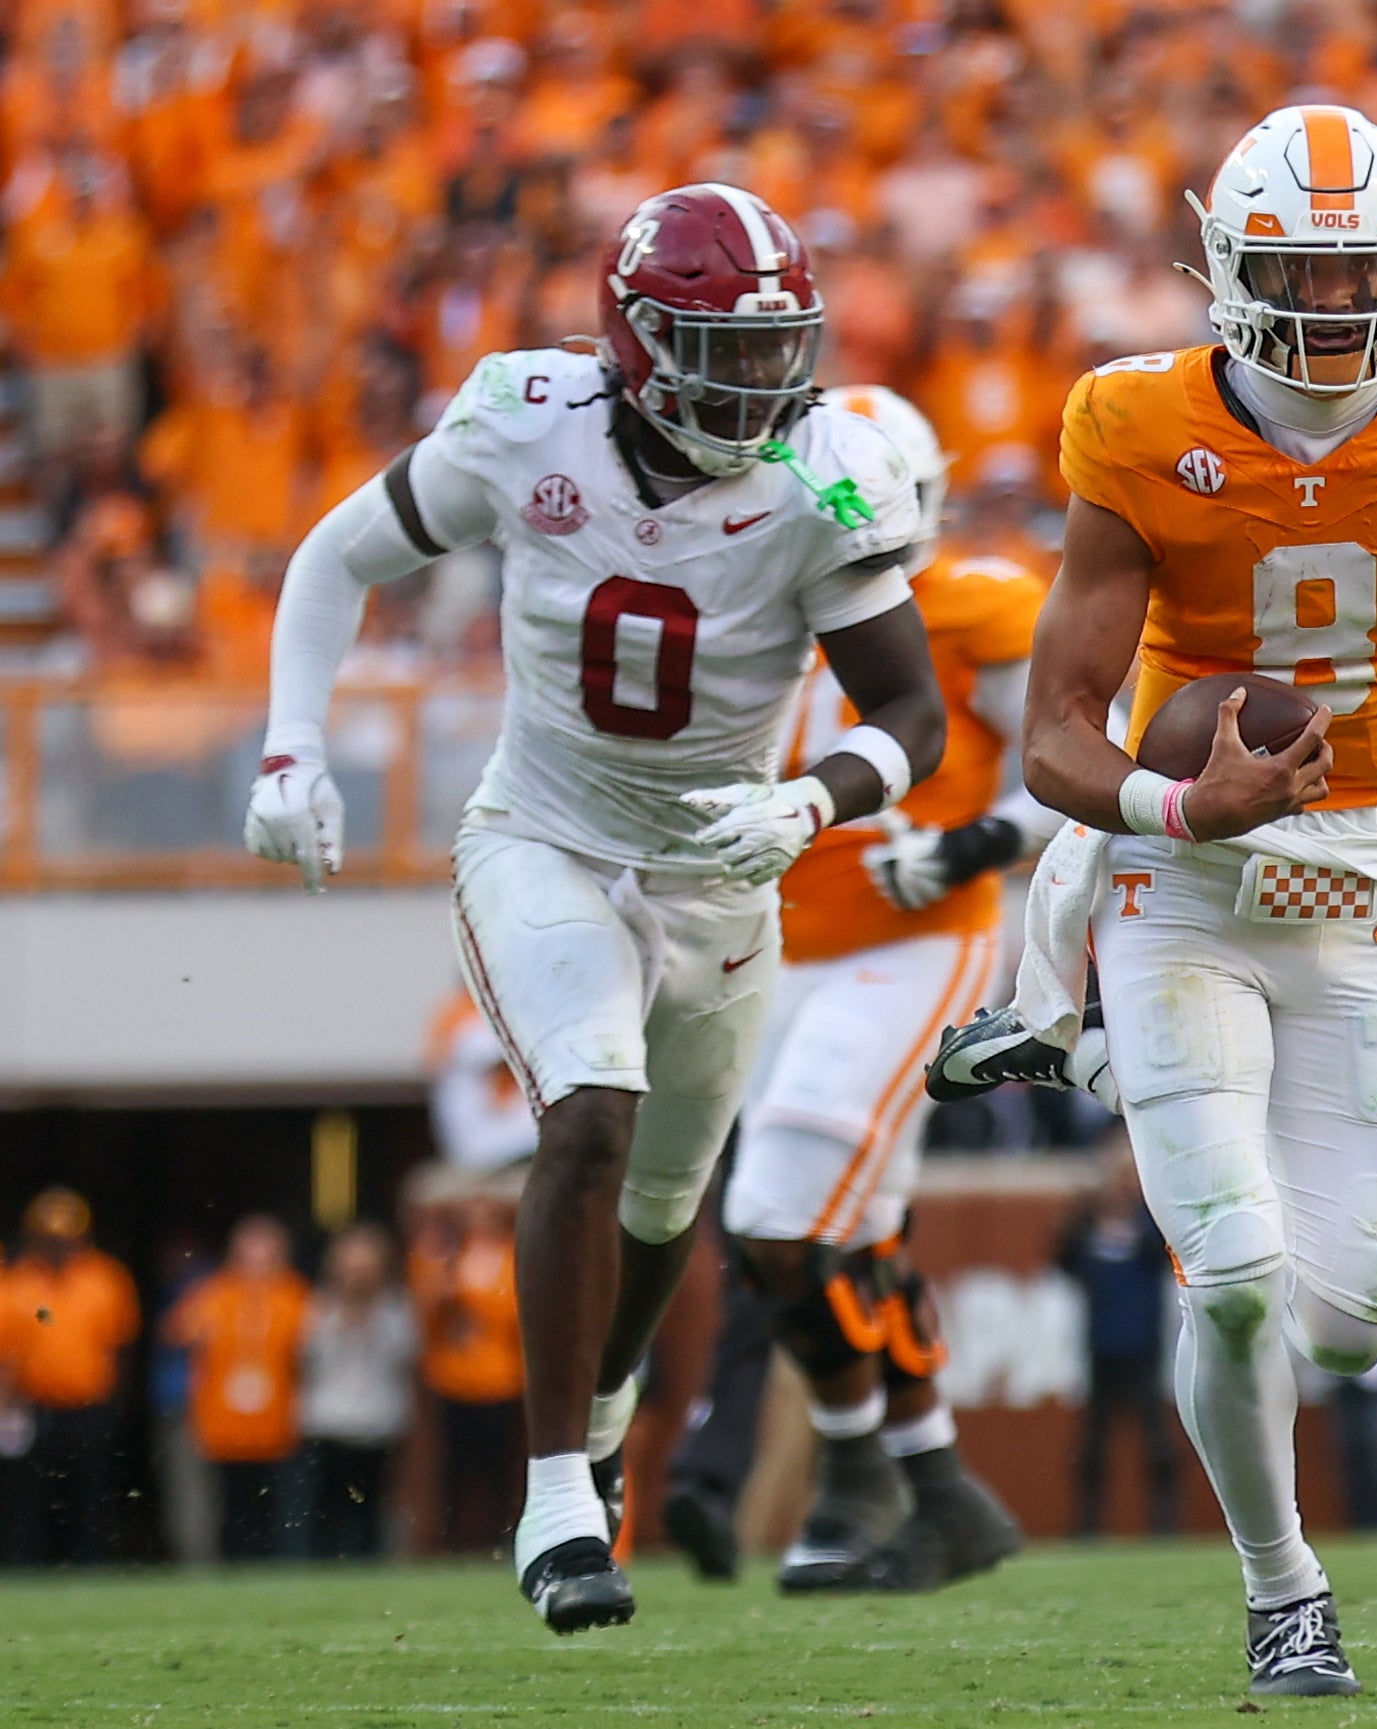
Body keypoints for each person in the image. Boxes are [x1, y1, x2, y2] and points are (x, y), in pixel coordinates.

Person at [927, 105, 1377, 1694]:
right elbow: (1054, 726)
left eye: (1358, 274)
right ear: (1227, 268)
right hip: (1184, 883)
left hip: (1363, 893)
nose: (1331, 308)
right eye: (1298, 275)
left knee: (1353, 1320)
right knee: (1240, 1284)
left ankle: (1078, 1042)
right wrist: (1180, 803)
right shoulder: (1139, 427)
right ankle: (1283, 1591)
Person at [242, 184, 941, 1631]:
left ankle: (606, 1401)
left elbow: (911, 712)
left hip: (721, 871)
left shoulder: (833, 468)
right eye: (721, 352)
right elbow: (335, 556)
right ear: (634, 343)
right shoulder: (526, 417)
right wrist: (291, 745)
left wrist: (815, 797)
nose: (758, 383)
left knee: (666, 1200)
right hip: (546, 833)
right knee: (593, 1109)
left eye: (775, 350)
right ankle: (558, 1498)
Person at [668, 383, 1040, 1595]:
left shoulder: (972, 607)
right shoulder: (761, 607)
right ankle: (924, 1488)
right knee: (847, 1232)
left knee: (778, 1211)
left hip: (917, 941)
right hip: (780, 955)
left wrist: (971, 845)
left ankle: (864, 1472)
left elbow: (1078, 768)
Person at [0, 1190, 139, 1566]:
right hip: (35, 1405)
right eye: (50, 1237)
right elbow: (7, 1353)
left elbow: (121, 1344)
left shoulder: (105, 1278)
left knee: (89, 1492)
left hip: (90, 1405)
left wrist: (116, 1403)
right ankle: (27, 1566)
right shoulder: (18, 1281)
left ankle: (88, 1563)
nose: (58, 1244)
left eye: (66, 1236)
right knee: (30, 1495)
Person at [1053, 1131, 1179, 1539]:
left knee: (1157, 1444)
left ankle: (1164, 1527)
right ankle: (1088, 1528)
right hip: (1101, 1346)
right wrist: (1086, 1208)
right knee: (1093, 1447)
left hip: (1144, 1345)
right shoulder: (1088, 1226)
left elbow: (1163, 1253)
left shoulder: (1148, 1226)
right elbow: (1062, 1259)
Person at [164, 1216, 310, 1561]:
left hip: (278, 1424)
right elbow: (176, 1337)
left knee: (276, 1508)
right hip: (221, 1425)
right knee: (227, 1508)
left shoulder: (296, 1296)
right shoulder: (212, 1293)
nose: (257, 1264)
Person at [295, 1224, 418, 1560]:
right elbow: (307, 1356)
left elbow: (405, 1356)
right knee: (323, 1508)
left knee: (371, 1508)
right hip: (328, 1422)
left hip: (376, 1423)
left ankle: (370, 1562)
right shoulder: (318, 1308)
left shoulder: (395, 1310)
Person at [412, 1195, 524, 1556]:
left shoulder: (511, 1257)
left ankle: (499, 1535)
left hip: (500, 1378)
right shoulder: (445, 1256)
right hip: (452, 1378)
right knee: (453, 1468)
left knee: (499, 1465)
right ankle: (451, 1539)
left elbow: (516, 1312)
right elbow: (424, 1308)